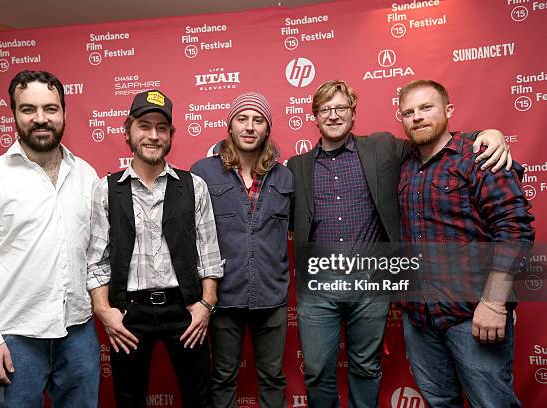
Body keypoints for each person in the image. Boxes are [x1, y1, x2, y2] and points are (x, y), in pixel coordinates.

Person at [287, 79, 512, 408]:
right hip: (319, 286)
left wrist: (485, 135)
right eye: (325, 109)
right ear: (315, 116)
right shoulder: (297, 166)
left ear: (353, 114)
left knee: (366, 367)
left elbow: (435, 139)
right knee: (318, 370)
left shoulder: (382, 147)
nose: (333, 115)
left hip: (371, 285)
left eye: (340, 108)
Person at [0, 70, 100, 407]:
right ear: (14, 114)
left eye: (50, 109)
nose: (40, 119)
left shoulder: (86, 176)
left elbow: (96, 254)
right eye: (28, 109)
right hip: (14, 335)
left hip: (77, 331)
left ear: (64, 112)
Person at [397, 79, 534, 407]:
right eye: (408, 112)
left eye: (426, 108)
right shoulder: (404, 167)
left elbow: (514, 229)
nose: (417, 117)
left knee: (492, 403)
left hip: (472, 313)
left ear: (448, 110)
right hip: (420, 318)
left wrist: (495, 303)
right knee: (440, 402)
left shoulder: (478, 157)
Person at [86, 90, 223, 408]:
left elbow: (210, 254)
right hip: (128, 312)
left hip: (185, 309)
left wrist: (206, 304)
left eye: (162, 128)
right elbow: (96, 260)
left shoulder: (193, 186)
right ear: (128, 131)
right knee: (129, 399)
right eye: (144, 125)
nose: (153, 135)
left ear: (171, 134)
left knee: (199, 398)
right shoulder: (106, 189)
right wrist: (106, 312)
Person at [191, 92, 293, 408]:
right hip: (223, 298)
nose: (250, 127)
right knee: (222, 378)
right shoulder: (203, 172)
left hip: (271, 297)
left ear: (267, 129)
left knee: (273, 377)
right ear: (230, 126)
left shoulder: (284, 175)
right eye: (242, 119)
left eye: (258, 120)